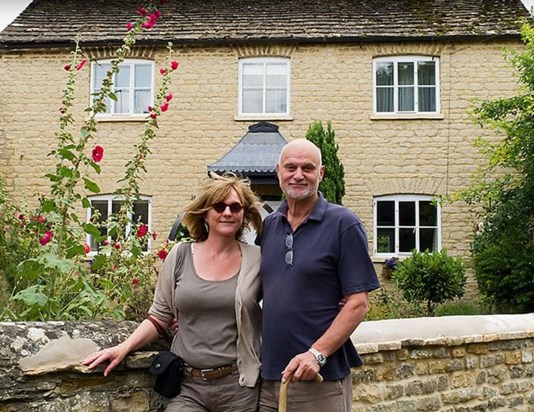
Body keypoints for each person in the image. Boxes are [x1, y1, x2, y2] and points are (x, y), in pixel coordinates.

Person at [83, 173, 263, 412]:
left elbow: (279, 307)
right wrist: (123, 348)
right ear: (206, 213)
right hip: (188, 386)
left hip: (238, 387)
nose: (227, 212)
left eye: (235, 206)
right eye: (219, 206)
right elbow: (159, 317)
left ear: (244, 214)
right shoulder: (180, 255)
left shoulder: (256, 259)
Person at [256, 139, 380, 412]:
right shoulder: (269, 226)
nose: (298, 175)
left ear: (320, 173)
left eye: (307, 168)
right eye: (290, 167)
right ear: (278, 171)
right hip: (268, 380)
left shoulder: (343, 224)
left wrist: (317, 354)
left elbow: (358, 303)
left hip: (320, 380)